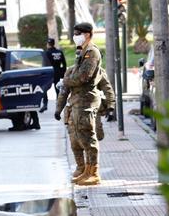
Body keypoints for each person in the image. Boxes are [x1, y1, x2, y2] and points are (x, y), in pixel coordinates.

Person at [55, 54, 115, 182]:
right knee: (74, 141)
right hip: (73, 110)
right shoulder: (71, 71)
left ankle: (91, 170)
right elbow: (63, 92)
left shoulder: (98, 72)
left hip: (90, 109)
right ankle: (81, 167)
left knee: (90, 139)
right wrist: (58, 109)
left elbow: (107, 89)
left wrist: (110, 105)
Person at [62, 22, 105, 186]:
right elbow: (77, 75)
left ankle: (94, 172)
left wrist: (66, 80)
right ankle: (87, 170)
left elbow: (82, 76)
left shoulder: (92, 53)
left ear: (87, 34)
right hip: (79, 100)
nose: (75, 36)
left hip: (87, 100)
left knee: (88, 136)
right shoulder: (83, 51)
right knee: (81, 135)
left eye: (78, 33)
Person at [41, 38, 67, 112]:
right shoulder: (59, 52)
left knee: (44, 88)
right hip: (57, 72)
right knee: (57, 88)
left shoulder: (47, 53)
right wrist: (62, 72)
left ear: (48, 44)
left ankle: (45, 104)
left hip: (49, 72)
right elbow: (64, 64)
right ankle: (59, 104)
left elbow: (45, 64)